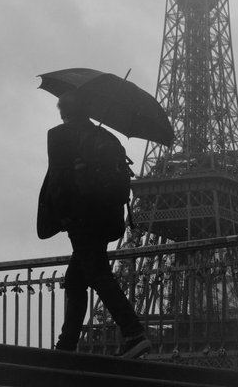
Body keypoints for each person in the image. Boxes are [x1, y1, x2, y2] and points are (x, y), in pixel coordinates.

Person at [37, 89, 151, 359]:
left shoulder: (60, 135)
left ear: (64, 110)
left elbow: (58, 179)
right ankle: (66, 346)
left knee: (98, 273)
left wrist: (63, 216)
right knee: (76, 280)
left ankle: (134, 333)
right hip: (106, 215)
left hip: (80, 217)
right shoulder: (107, 137)